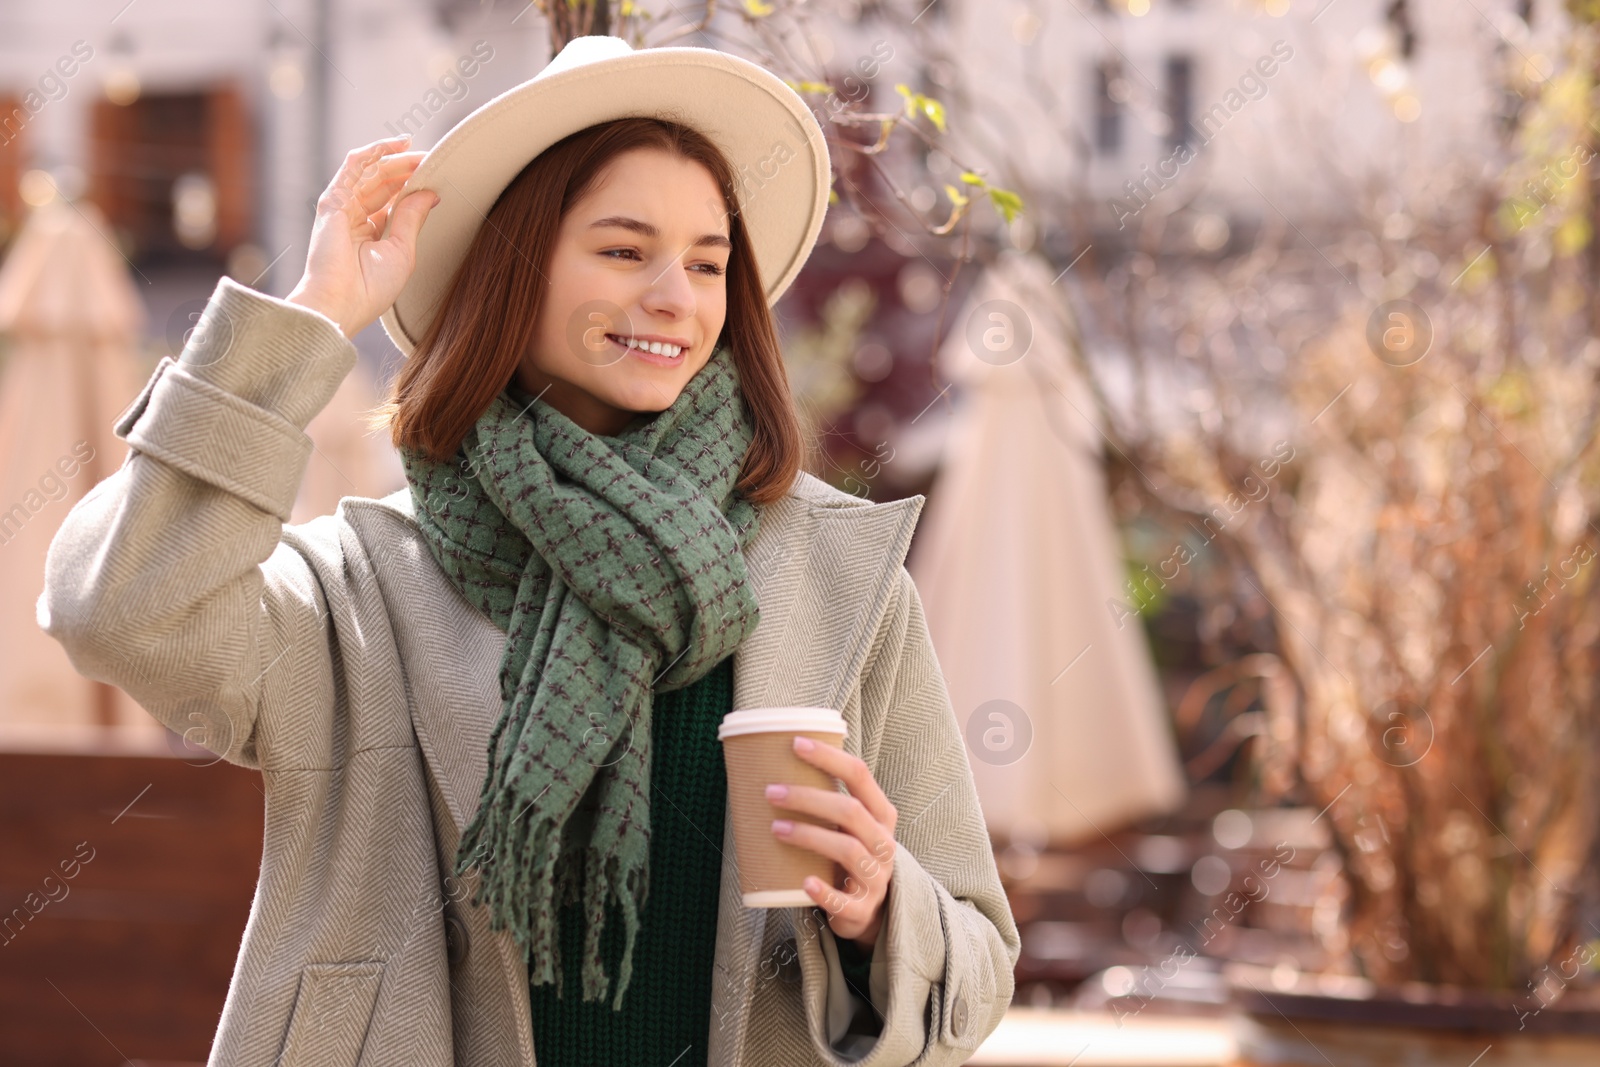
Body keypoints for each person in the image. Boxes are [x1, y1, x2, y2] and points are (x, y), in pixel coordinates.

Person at [40, 34, 1018, 1067]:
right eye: (623, 249)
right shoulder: (364, 586)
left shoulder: (836, 573)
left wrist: (879, 907)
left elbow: (978, 964)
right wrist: (310, 320)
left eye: (706, 262)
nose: (675, 299)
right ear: (512, 266)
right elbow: (122, 607)